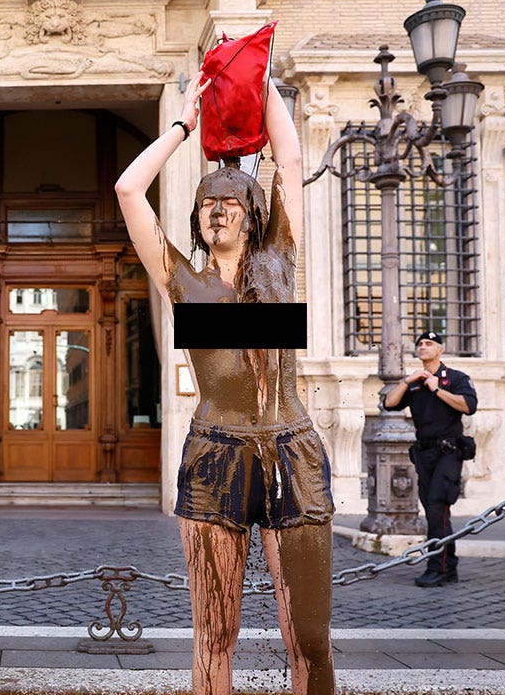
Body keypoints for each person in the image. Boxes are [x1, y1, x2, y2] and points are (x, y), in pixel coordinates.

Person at [115, 77, 336, 694]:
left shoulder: (278, 264)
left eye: (231, 201)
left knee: (310, 639)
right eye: (207, 202)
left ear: (253, 213)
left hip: (293, 451)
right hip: (215, 456)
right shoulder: (183, 282)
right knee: (215, 637)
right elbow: (128, 188)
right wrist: (182, 127)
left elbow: (289, 160)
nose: (217, 209)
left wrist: (258, 81)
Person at [382, 331, 478, 587]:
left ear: (440, 350)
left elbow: (468, 405)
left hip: (449, 452)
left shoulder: (455, 378)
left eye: (429, 344)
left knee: (437, 506)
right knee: (435, 511)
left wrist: (437, 390)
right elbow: (389, 404)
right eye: (420, 344)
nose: (423, 347)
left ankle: (438, 567)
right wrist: (406, 381)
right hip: (424, 454)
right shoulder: (415, 383)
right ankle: (448, 565)